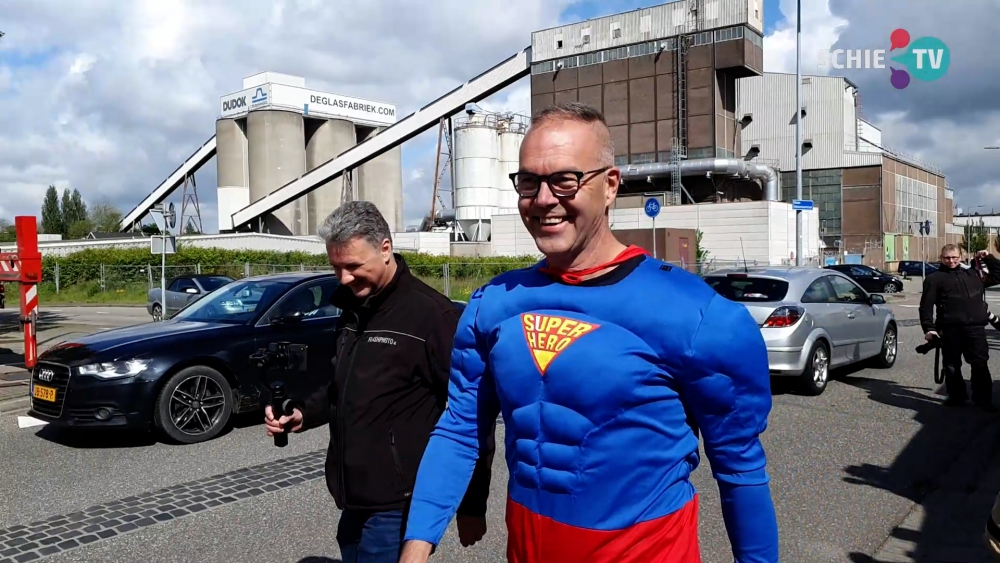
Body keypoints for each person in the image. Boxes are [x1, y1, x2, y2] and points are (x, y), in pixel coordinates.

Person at [399, 102, 779, 563]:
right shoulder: (493, 304)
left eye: (565, 180)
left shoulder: (695, 315)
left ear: (610, 185)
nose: (542, 200)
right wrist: (414, 551)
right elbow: (460, 431)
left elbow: (740, 469)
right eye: (528, 182)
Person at [263, 201, 494, 563]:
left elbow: (473, 417)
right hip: (352, 497)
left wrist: (471, 504)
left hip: (399, 503)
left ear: (385, 248)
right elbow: (344, 386)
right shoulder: (354, 308)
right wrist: (302, 415)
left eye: (353, 266)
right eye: (336, 267)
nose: (343, 278)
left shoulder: (434, 317)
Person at [919, 244, 1000, 409]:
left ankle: (983, 399)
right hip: (950, 329)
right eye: (947, 258)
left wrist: (988, 258)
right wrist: (929, 329)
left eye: (954, 257)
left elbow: (998, 276)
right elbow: (926, 307)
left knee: (980, 364)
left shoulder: (973, 274)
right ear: (941, 258)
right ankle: (957, 397)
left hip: (975, 328)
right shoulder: (934, 279)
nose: (951, 261)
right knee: (951, 365)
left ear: (960, 257)